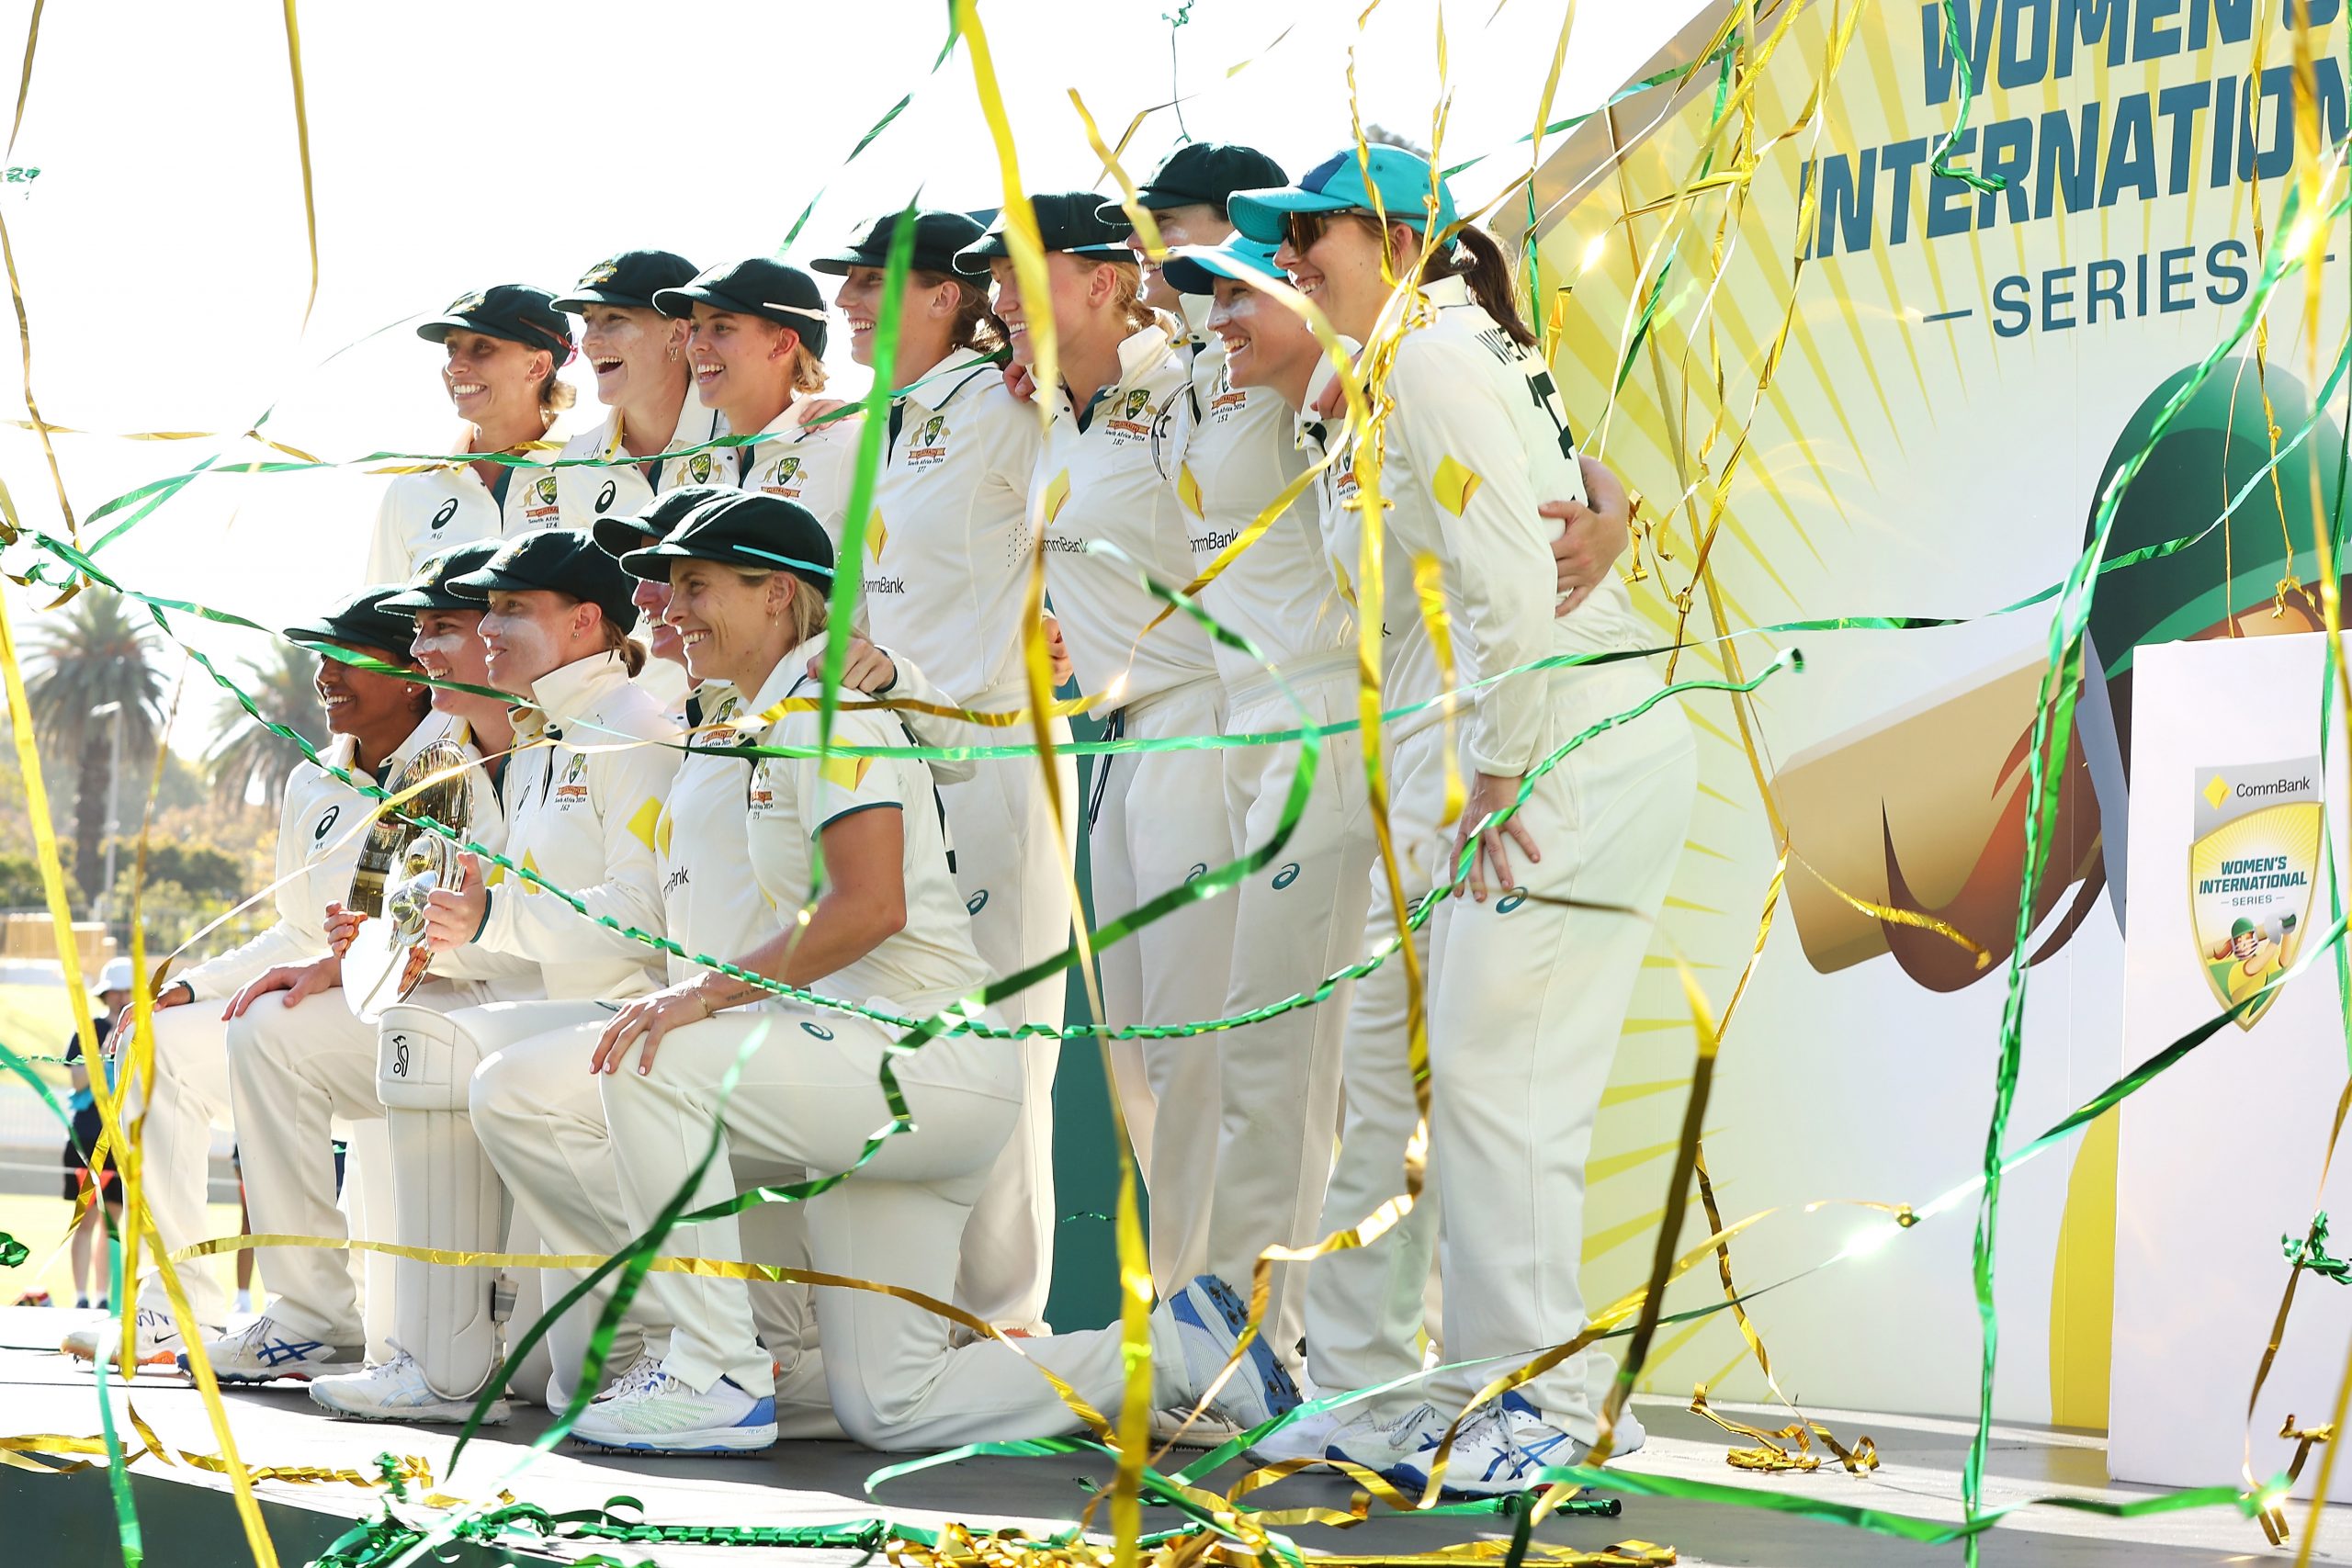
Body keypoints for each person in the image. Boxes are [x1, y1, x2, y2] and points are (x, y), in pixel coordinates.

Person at [538, 493, 1292, 1454]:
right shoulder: (779, 712)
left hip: (916, 1066)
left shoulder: (829, 709)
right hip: (865, 1072)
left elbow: (870, 906)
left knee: (655, 1060)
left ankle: (715, 1376)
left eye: (694, 586)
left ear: (776, 596)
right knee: (892, 1407)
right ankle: (1185, 1352)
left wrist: (702, 995)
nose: (668, 607)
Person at [1232, 146, 1697, 1492]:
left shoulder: (1430, 356)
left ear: (1388, 235)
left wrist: (1500, 766)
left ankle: (1548, 1403)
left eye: (1303, 235)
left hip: (1545, 755)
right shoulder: (1407, 363)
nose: (1286, 262)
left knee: (1505, 1092)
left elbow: (1505, 570)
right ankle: (1377, 1388)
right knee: (1388, 1078)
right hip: (1462, 761)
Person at [295, 532, 680, 1425]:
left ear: (586, 622)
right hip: (552, 1009)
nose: (484, 629)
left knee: (574, 1378)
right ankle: (440, 1363)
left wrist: (481, 920)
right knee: (419, 1026)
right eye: (482, 612)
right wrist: (400, 939)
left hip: (630, 1017)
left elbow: (647, 914)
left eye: (508, 609)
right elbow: (456, 904)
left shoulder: (631, 729)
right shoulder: (533, 740)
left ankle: (473, 1360)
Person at [1121, 151, 1377, 1386]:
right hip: (1234, 727)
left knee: (1286, 1060)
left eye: (1207, 253)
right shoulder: (1191, 380)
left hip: (1319, 718)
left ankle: (1281, 1349)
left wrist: (1606, 503)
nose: (1201, 295)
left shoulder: (1317, 368)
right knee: (1225, 1053)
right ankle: (1235, 1338)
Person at [956, 195, 1235, 1313]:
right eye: (990, 278)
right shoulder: (1048, 411)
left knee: (1195, 1049)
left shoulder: (1187, 386)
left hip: (1208, 726)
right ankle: (1191, 1326)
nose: (998, 299)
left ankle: (1254, 1335)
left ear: (1109, 278)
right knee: (1136, 1060)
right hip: (1113, 740)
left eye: (1025, 271)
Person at [812, 208, 1077, 1337]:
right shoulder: (868, 427)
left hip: (1002, 755)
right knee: (914, 1041)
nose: (852, 302)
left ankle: (1002, 1323)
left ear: (946, 296)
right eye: (848, 282)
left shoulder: (1008, 401)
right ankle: (910, 1324)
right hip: (898, 767)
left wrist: (1071, 626)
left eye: (879, 281)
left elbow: (1101, 507)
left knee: (1009, 1049)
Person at [63, 589, 438, 1366]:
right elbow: (295, 929)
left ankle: (312, 1320)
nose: (325, 675)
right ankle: (171, 1311)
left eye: (346, 658)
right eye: (321, 659)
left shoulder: (452, 760)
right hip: (315, 1012)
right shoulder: (312, 781)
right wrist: (190, 989)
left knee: (275, 1029)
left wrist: (345, 964)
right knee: (152, 1039)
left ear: (412, 674)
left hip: (409, 1013)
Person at [192, 545, 534, 1388]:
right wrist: (342, 958)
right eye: (421, 634)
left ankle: (449, 1352)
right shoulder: (416, 771)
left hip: (542, 1006)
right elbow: (376, 920)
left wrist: (388, 949)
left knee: (541, 1375)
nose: (431, 650)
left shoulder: (547, 743)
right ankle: (313, 1317)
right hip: (448, 1001)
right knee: (269, 1027)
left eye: (443, 632)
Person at [364, 286, 582, 585]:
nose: (454, 366)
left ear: (538, 365)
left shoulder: (595, 470)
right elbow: (381, 622)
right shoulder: (410, 490)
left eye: (482, 347)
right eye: (451, 349)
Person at [653, 259, 863, 547]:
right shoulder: (683, 460)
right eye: (696, 327)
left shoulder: (849, 444)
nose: (697, 344)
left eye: (722, 327)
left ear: (782, 344)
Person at [60, 958, 131, 1312]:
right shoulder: (86, 1032)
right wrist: (101, 1054)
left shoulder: (139, 1033)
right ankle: (81, 1295)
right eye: (116, 991)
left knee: (112, 1219)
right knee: (85, 1218)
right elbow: (76, 1081)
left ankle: (104, 1295)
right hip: (87, 1138)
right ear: (107, 995)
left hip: (120, 1141)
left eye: (128, 991)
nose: (121, 998)